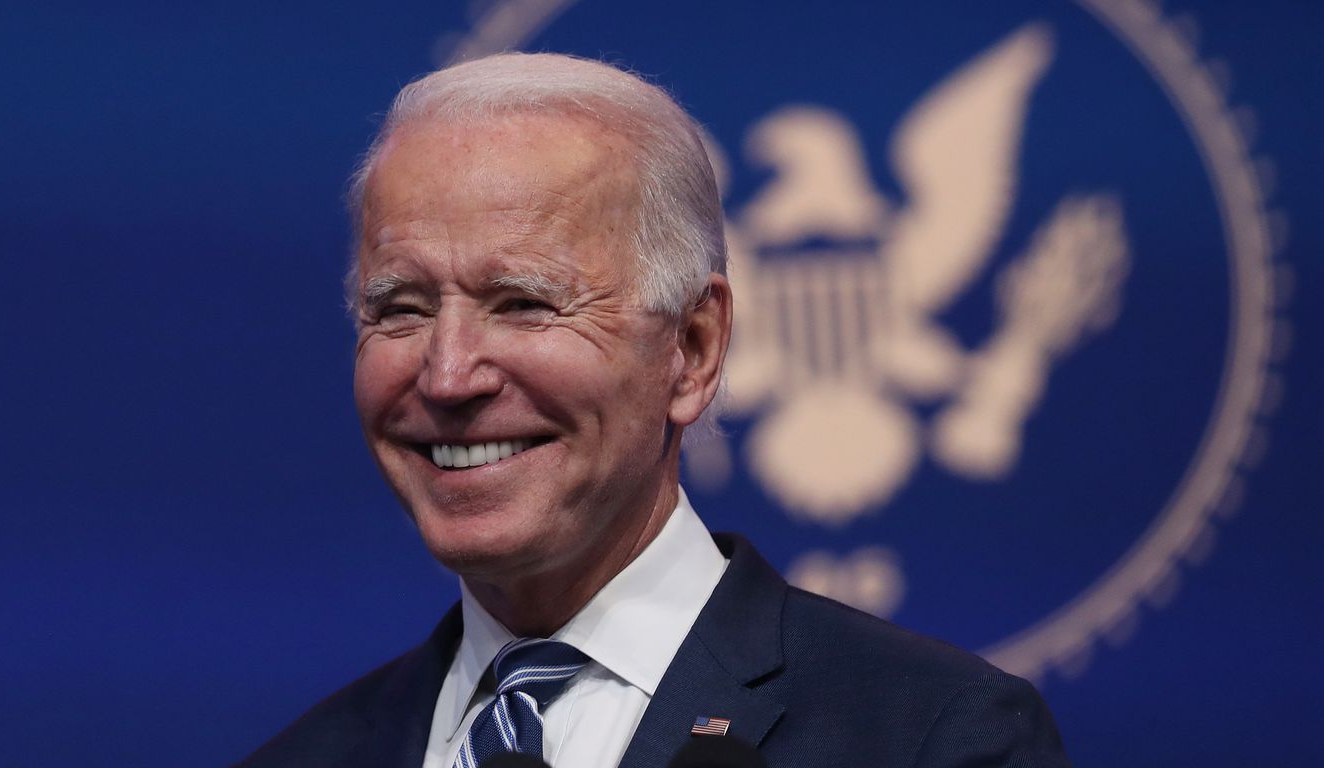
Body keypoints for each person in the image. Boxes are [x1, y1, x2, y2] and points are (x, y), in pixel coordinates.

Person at [238, 52, 1070, 768]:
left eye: (525, 302)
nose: (449, 375)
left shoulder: (928, 738)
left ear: (694, 349)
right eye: (401, 309)